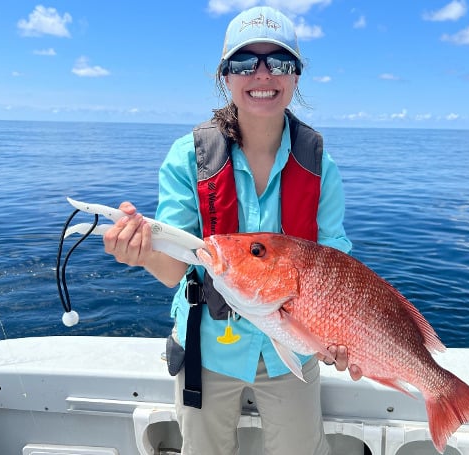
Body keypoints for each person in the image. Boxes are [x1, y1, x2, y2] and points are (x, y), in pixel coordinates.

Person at [103, 6, 361, 455]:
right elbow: (172, 270)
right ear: (225, 75)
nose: (262, 74)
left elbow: (335, 270)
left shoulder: (323, 169)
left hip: (295, 351)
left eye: (279, 61)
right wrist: (141, 251)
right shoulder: (189, 158)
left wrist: (340, 337)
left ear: (296, 76)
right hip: (207, 349)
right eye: (245, 62)